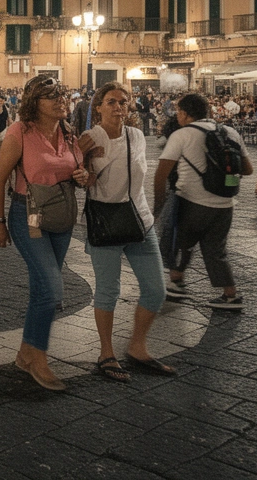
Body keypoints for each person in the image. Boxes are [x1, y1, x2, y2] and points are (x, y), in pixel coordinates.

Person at [0, 75, 90, 391]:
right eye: (51, 96)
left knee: (42, 289)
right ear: (35, 103)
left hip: (61, 214)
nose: (61, 100)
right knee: (51, 287)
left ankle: (25, 354)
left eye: (61, 94)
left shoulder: (69, 133)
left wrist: (83, 175)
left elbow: (75, 173)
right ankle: (40, 360)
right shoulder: (19, 133)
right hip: (29, 213)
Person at [79, 82, 174, 383]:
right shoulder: (87, 138)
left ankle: (137, 345)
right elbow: (78, 175)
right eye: (111, 102)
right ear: (98, 107)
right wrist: (86, 172)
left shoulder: (136, 136)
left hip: (139, 221)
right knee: (108, 290)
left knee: (156, 289)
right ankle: (106, 352)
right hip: (105, 221)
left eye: (123, 101)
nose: (118, 107)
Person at [155, 92, 252, 311]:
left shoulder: (182, 134)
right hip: (225, 204)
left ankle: (177, 283)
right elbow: (248, 169)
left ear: (184, 113)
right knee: (216, 250)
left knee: (179, 242)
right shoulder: (230, 132)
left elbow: (161, 173)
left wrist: (158, 207)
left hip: (191, 202)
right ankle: (230, 295)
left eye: (179, 111)